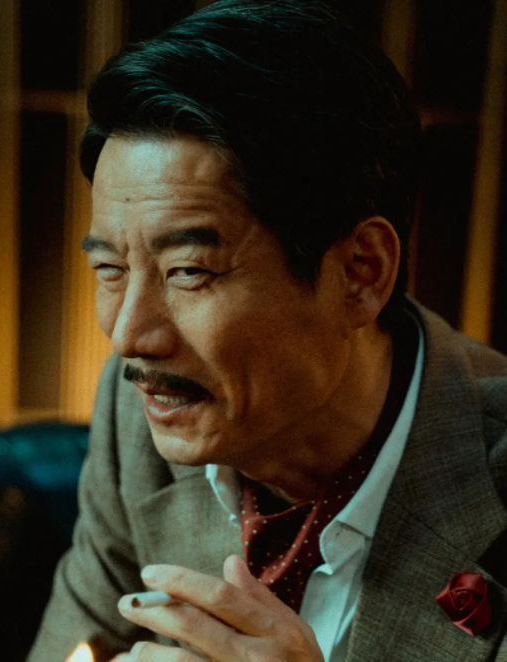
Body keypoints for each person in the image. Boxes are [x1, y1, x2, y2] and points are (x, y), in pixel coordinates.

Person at [26, 1, 507, 661]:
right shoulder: (139, 411)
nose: (130, 338)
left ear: (359, 273)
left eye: (188, 271)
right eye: (110, 269)